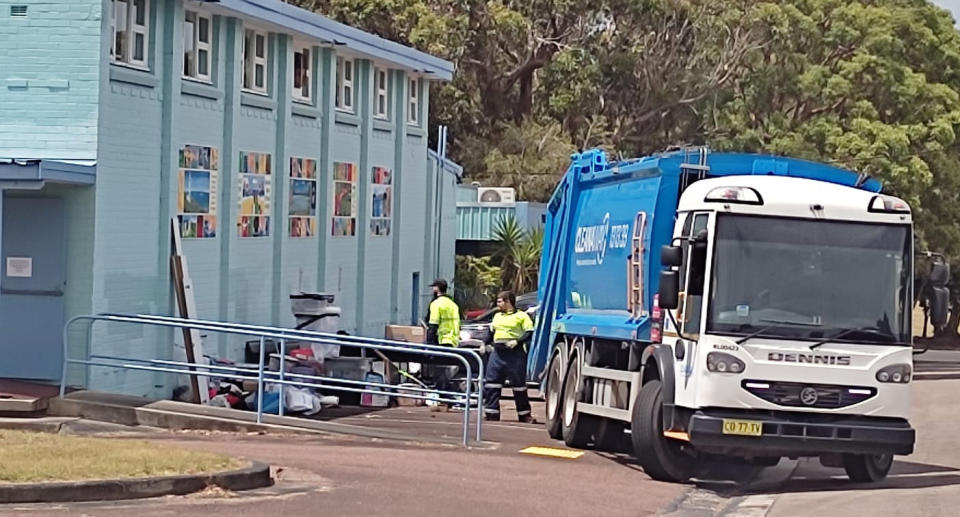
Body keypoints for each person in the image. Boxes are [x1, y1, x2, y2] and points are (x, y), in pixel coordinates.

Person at [483, 290, 535, 423]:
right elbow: (491, 332)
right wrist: (484, 343)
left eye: (500, 301)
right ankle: (491, 413)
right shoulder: (497, 316)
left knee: (519, 386)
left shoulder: (522, 316)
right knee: (492, 384)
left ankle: (524, 415)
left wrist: (517, 341)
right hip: (498, 353)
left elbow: (529, 332)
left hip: (515, 354)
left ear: (508, 302)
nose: (497, 304)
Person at [425, 279, 461, 402]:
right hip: (452, 340)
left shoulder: (436, 304)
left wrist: (429, 343)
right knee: (447, 371)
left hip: (440, 340)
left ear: (437, 288)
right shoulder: (453, 304)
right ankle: (447, 396)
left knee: (439, 372)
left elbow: (433, 324)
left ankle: (444, 397)